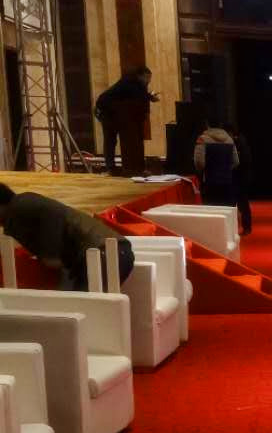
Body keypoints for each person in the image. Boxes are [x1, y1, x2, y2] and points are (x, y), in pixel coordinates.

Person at [0, 184, 134, 291]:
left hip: (102, 253)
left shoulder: (20, 205)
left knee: (83, 307)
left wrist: (51, 255)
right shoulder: (20, 208)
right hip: (112, 252)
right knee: (83, 306)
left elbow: (53, 214)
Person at [94, 67, 156, 175]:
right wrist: (149, 97)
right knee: (110, 139)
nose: (149, 80)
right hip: (105, 111)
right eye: (147, 77)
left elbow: (137, 97)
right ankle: (111, 167)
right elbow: (136, 95)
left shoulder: (137, 84)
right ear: (140, 76)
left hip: (116, 113)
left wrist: (149, 97)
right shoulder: (129, 82)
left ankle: (129, 168)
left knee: (112, 140)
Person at [193, 120, 244, 232]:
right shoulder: (229, 139)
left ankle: (212, 235)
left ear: (207, 124)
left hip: (210, 181)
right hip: (227, 181)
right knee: (225, 211)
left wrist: (204, 171)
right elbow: (236, 161)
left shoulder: (203, 139)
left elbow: (199, 162)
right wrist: (225, 169)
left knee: (211, 212)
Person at [224, 123, 254, 236]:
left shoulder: (238, 142)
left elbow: (241, 161)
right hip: (241, 177)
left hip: (240, 177)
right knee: (241, 204)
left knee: (241, 204)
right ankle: (245, 227)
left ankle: (245, 227)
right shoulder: (241, 141)